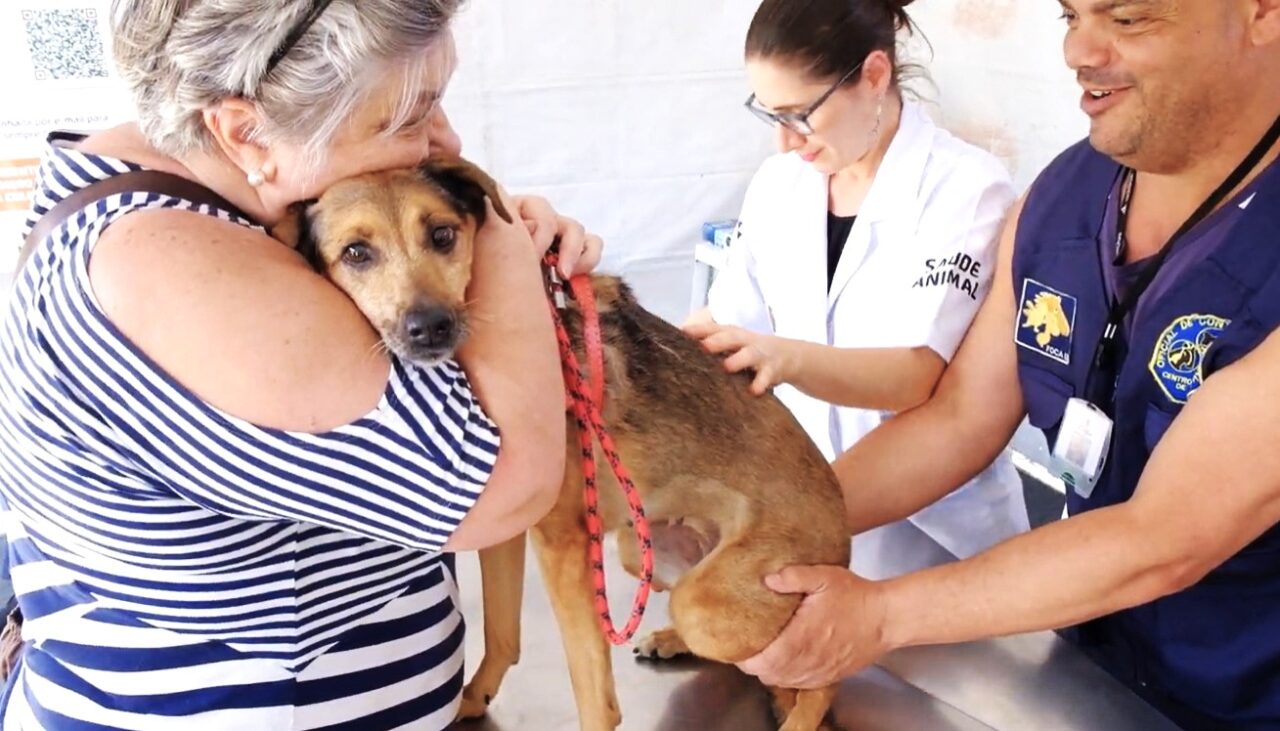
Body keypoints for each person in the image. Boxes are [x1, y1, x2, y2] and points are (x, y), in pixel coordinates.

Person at [0, 0, 602, 728]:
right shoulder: (167, 264)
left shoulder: (170, 187)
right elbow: (505, 485)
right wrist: (495, 223)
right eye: (408, 117)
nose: (444, 143)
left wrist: (462, 233)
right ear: (246, 132)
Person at [736, 1, 1280, 729]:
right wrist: (769, 524)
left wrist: (878, 614)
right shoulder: (1066, 198)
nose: (1079, 52)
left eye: (1127, 19)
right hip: (1094, 666)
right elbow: (961, 417)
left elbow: (1163, 538)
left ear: (1262, 13)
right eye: (1070, 16)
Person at [684, 0, 1029, 580]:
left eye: (800, 115)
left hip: (936, 536)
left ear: (873, 75)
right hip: (807, 505)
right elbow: (730, 324)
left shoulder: (965, 189)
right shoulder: (779, 184)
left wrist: (786, 358)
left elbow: (914, 376)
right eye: (770, 115)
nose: (785, 143)